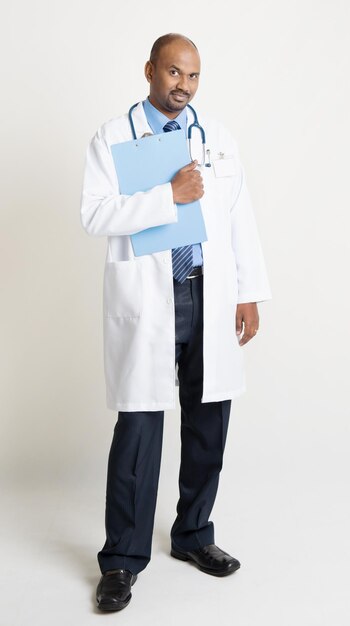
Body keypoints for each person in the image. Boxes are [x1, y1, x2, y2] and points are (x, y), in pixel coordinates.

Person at [80, 33, 272, 612]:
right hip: (148, 300)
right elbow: (94, 213)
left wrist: (249, 292)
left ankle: (193, 536)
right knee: (139, 430)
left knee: (209, 420)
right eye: (173, 73)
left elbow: (240, 215)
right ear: (149, 71)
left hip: (208, 296)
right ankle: (121, 559)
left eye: (192, 76)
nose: (183, 86)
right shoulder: (113, 138)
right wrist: (169, 196)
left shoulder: (216, 138)